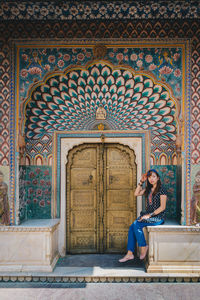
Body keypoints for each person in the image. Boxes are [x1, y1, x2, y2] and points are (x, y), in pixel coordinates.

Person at [119, 169, 167, 262]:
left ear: (158, 178)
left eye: (153, 176)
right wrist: (141, 181)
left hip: (158, 217)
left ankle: (143, 246)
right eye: (149, 177)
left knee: (136, 224)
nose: (151, 179)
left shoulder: (162, 190)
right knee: (132, 227)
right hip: (148, 215)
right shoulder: (148, 189)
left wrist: (150, 215)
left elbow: (162, 207)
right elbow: (136, 193)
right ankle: (130, 254)